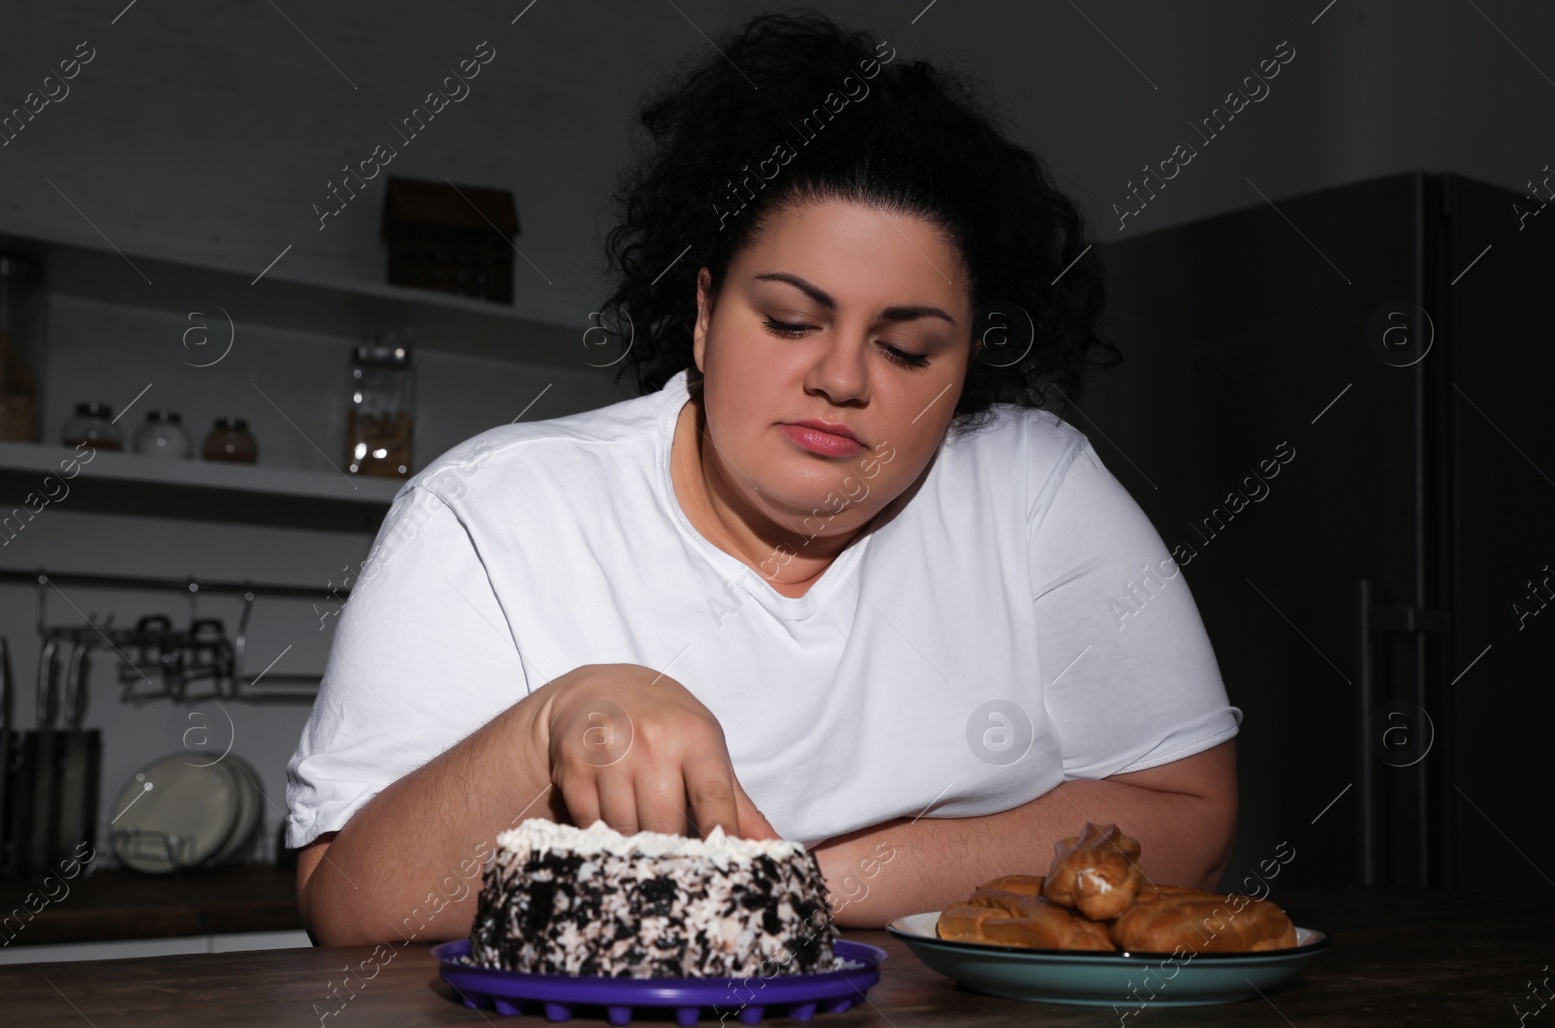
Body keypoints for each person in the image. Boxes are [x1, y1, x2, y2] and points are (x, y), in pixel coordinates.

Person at [289, 11, 1239, 948]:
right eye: (790, 322)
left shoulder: (1033, 488)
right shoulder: (486, 517)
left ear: (967, 370)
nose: (842, 379)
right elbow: (345, 904)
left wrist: (792, 881)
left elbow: (1186, 817)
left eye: (907, 348)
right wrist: (552, 720)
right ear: (704, 314)